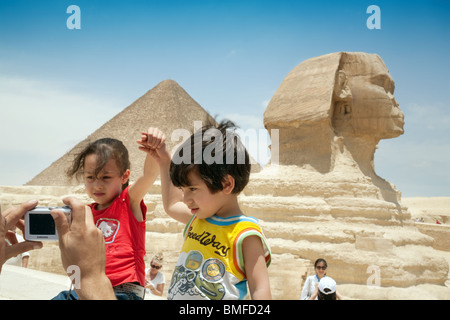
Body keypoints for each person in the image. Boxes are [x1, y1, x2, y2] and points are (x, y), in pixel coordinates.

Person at [140, 120, 272, 300]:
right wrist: (164, 160)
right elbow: (171, 205)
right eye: (183, 190)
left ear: (226, 184)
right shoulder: (199, 218)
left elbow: (260, 290)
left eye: (192, 189)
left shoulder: (246, 234)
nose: (186, 199)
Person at [54, 127, 166, 300]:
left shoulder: (127, 202)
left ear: (124, 176)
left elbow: (149, 175)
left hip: (124, 290)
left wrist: (153, 148)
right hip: (88, 287)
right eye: (90, 177)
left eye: (105, 177)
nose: (97, 185)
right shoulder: (85, 213)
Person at [0, 200, 43, 273]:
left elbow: (25, 255)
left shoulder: (19, 237)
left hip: (15, 271)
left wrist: (24, 269)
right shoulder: (4, 236)